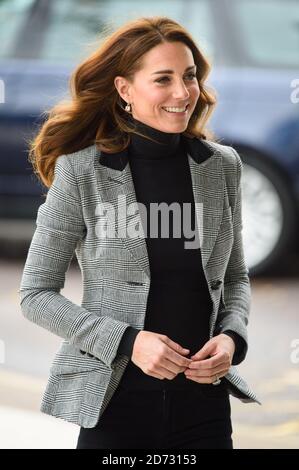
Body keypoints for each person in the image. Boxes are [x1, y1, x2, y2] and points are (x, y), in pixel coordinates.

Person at [19, 16, 260, 450]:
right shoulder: (82, 171)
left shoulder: (223, 166)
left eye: (189, 77)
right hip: (116, 405)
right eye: (162, 79)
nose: (182, 93)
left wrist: (232, 339)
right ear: (125, 89)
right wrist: (129, 342)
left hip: (204, 410)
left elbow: (236, 278)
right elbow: (36, 294)